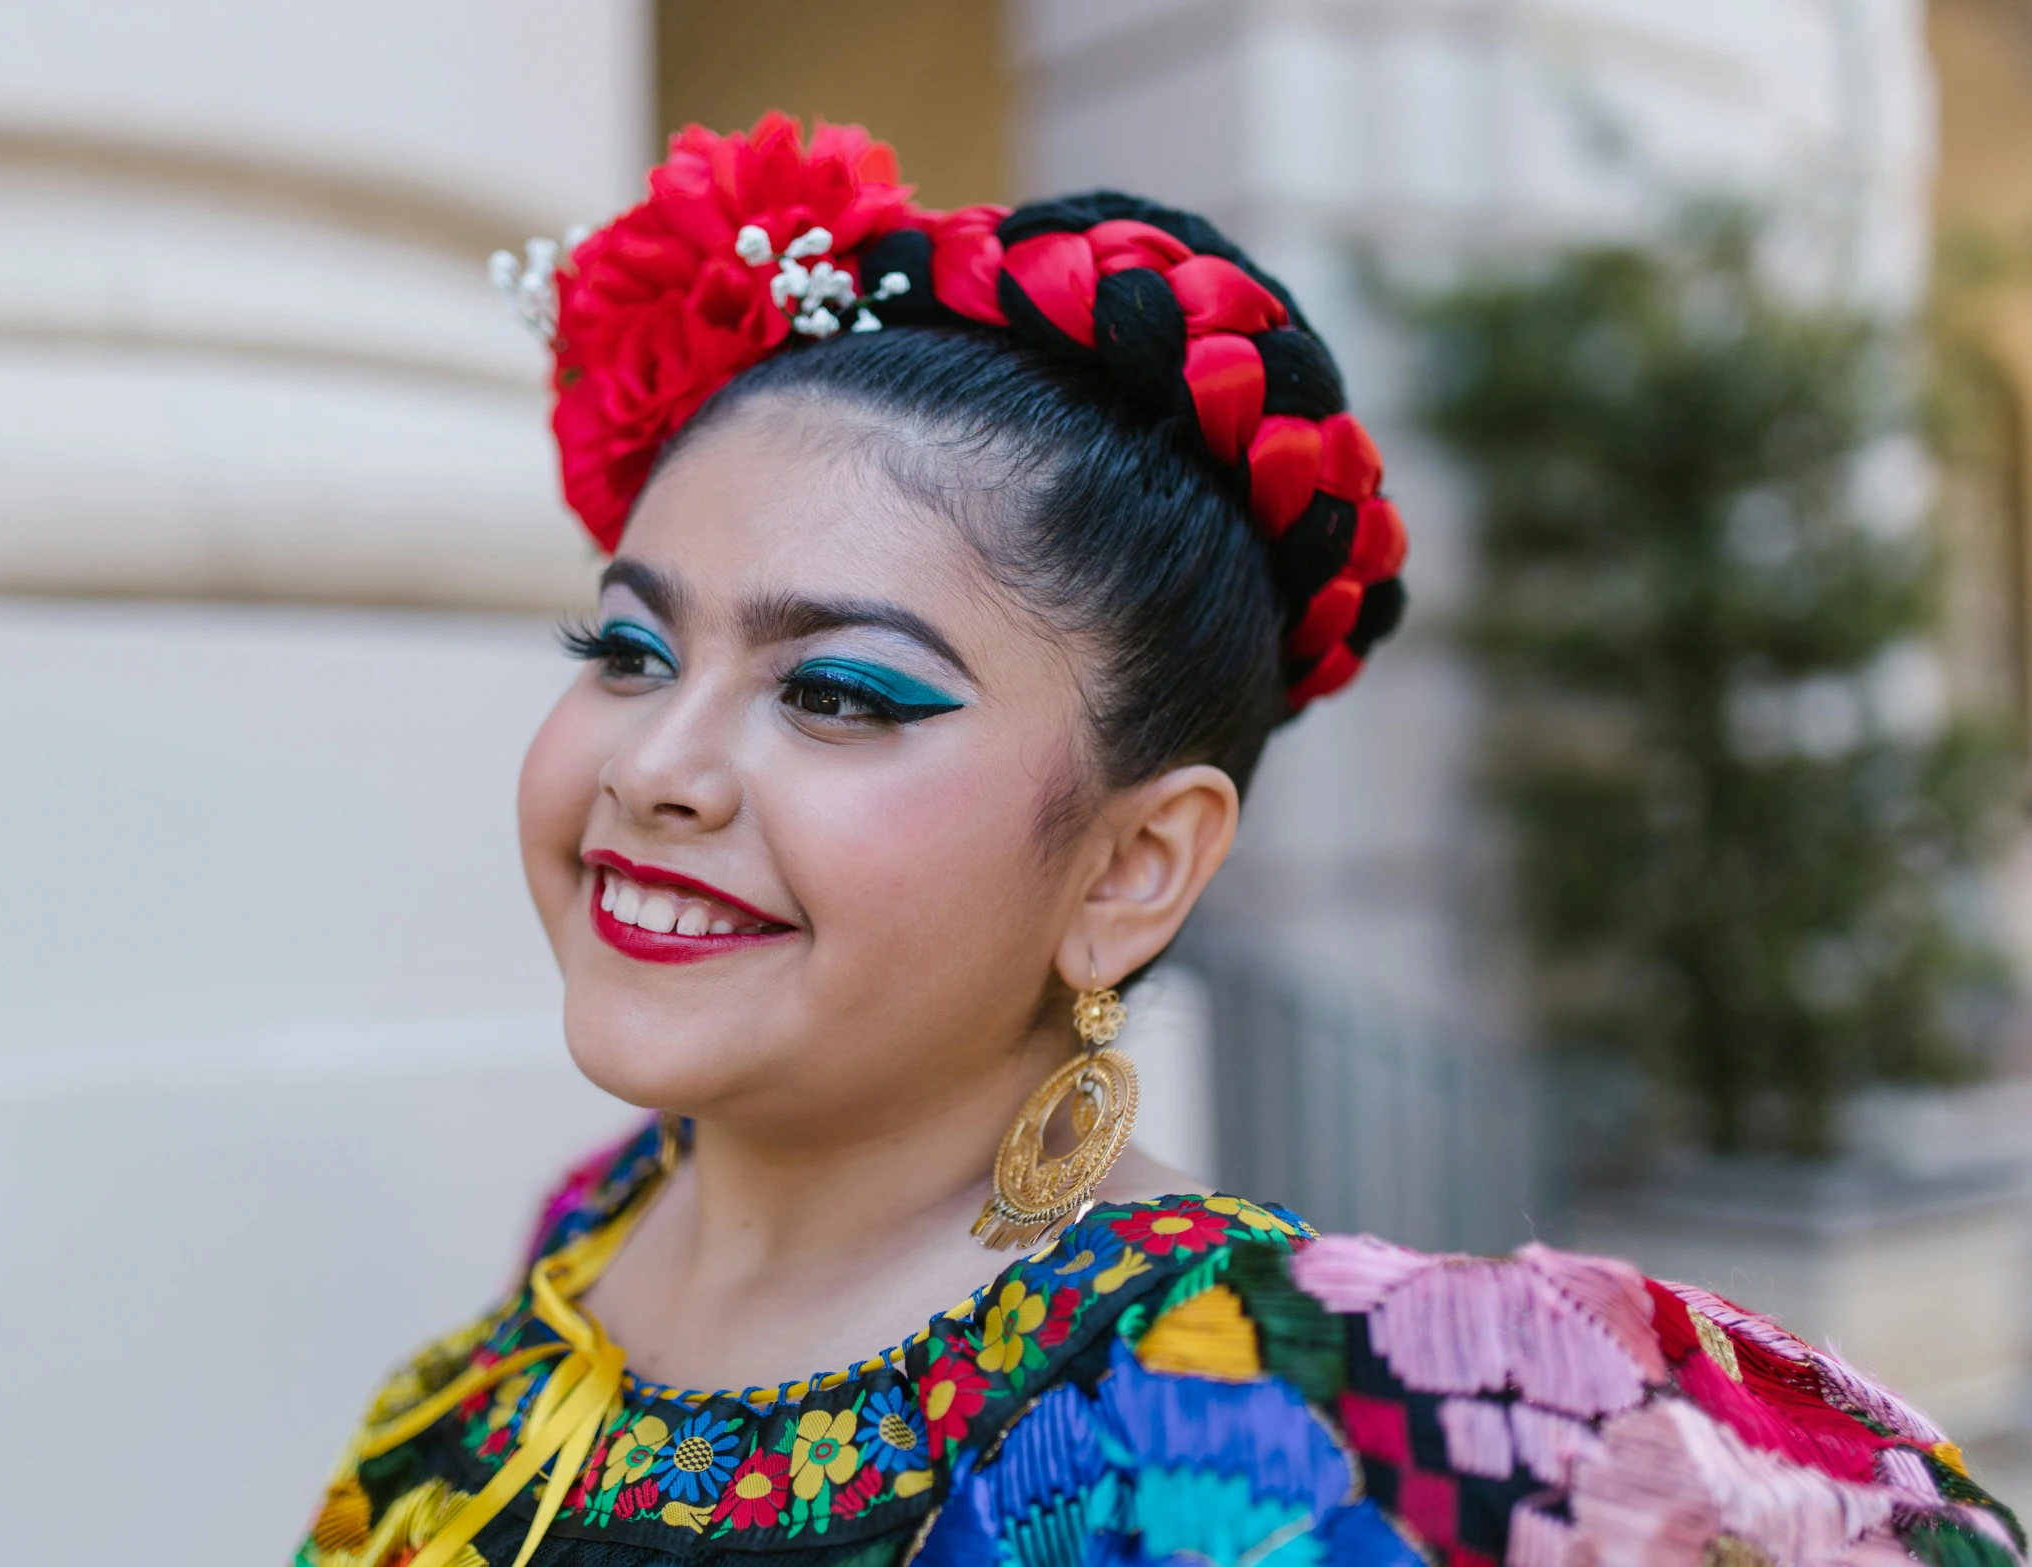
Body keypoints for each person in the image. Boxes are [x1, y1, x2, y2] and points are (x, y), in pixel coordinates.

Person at [294, 115, 2022, 1567]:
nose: (658, 765)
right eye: (626, 650)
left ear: (1134, 866)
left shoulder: (1285, 1409)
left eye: (838, 692)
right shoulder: (592, 1232)